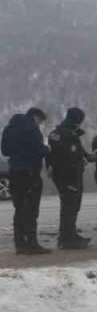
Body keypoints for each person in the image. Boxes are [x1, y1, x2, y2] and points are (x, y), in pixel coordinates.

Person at [1, 107, 51, 254]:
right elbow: (39, 150)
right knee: (31, 209)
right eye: (40, 121)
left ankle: (20, 244)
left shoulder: (9, 129)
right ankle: (32, 244)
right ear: (36, 117)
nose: (40, 124)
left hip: (14, 172)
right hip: (30, 173)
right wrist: (47, 149)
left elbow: (5, 151)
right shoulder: (32, 129)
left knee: (19, 209)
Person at [46, 107, 95, 249]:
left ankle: (69, 235)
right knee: (71, 207)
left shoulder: (54, 133)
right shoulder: (70, 136)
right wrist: (85, 160)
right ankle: (67, 239)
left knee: (68, 207)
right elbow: (72, 157)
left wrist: (50, 166)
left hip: (59, 175)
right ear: (77, 120)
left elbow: (51, 154)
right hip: (70, 176)